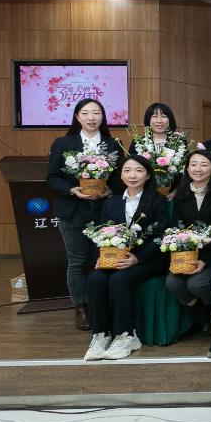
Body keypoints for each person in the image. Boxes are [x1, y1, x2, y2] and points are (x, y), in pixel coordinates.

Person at [46, 98, 123, 330]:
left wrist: (110, 190)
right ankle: (81, 308)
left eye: (96, 113)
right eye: (86, 113)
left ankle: (101, 304)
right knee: (78, 261)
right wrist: (72, 189)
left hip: (103, 211)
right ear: (77, 117)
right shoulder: (63, 143)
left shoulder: (113, 144)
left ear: (103, 116)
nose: (91, 117)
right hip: (73, 210)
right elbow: (52, 177)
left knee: (101, 259)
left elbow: (122, 177)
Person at [83, 155, 169, 361]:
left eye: (139, 170)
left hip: (148, 260)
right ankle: (101, 334)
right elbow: (101, 232)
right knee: (95, 278)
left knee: (119, 279)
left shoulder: (157, 201)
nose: (133, 175)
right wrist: (100, 257)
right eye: (127, 170)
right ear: (121, 175)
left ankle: (127, 335)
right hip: (115, 258)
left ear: (148, 175)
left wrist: (137, 259)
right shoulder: (111, 202)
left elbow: (161, 236)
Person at [164, 150, 211, 334]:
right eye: (193, 164)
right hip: (187, 255)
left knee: (197, 283)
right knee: (173, 282)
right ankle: (200, 314)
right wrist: (181, 255)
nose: (198, 169)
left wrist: (204, 260)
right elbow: (177, 227)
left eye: (204, 165)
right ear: (187, 168)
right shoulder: (181, 194)